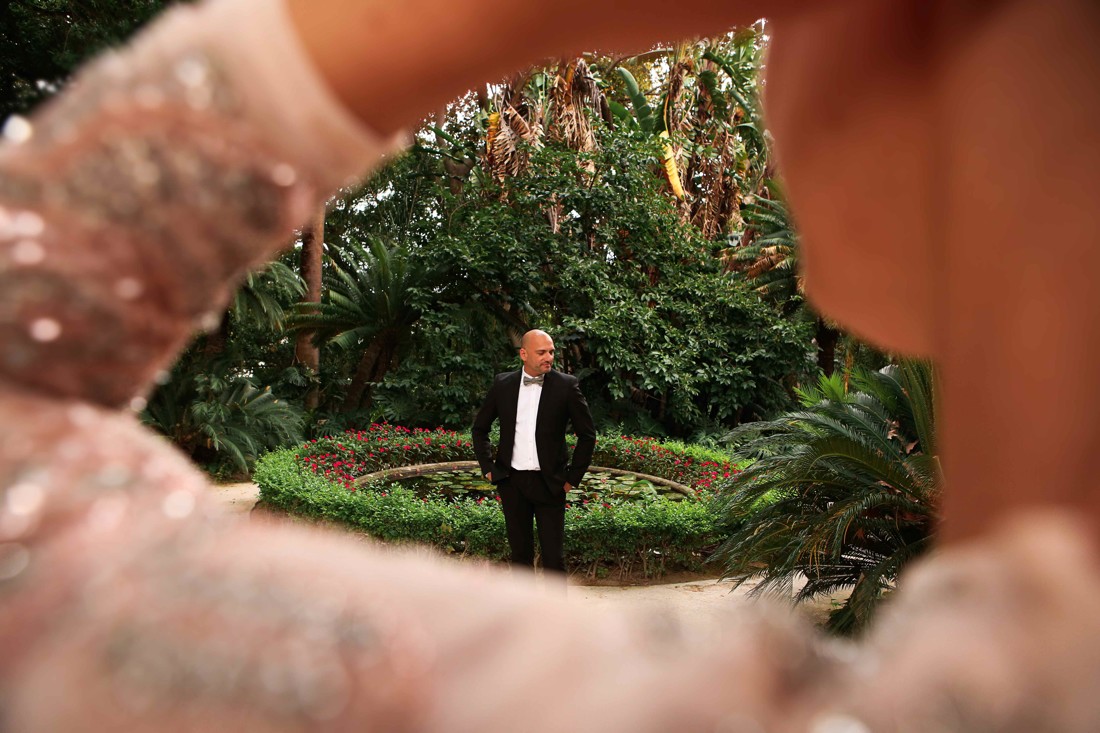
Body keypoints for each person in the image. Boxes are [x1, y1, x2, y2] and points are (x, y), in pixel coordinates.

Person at [1, 0, 1099, 729]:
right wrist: (493, 464)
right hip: (505, 479)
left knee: (545, 553)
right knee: (515, 548)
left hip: (547, 486)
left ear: (875, 32)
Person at [472, 330, 596, 573]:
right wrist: (488, 468)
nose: (548, 357)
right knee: (519, 558)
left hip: (551, 483)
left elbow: (588, 435)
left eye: (550, 352)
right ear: (523, 354)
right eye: (541, 352)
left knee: (553, 559)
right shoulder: (503, 384)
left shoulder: (566, 386)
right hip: (512, 482)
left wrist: (572, 478)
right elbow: (479, 429)